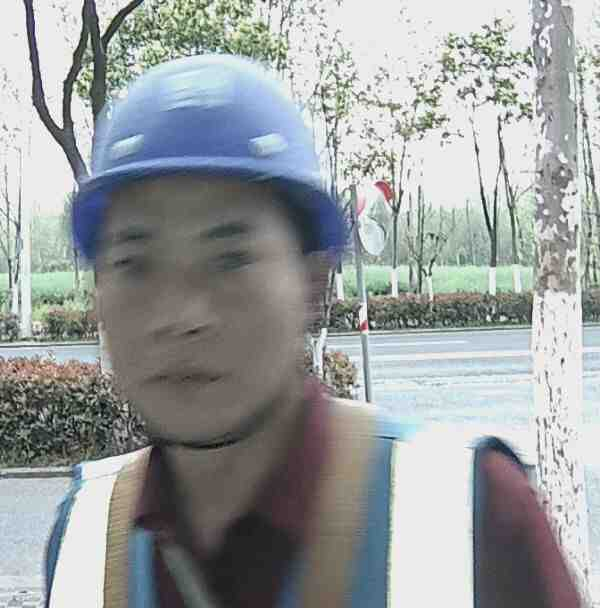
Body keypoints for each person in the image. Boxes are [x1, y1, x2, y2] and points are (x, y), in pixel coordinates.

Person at [44, 54, 581, 608]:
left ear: (313, 281)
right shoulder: (86, 536)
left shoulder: (468, 515)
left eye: (231, 259)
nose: (182, 316)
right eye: (135, 264)